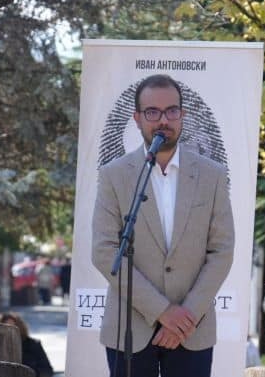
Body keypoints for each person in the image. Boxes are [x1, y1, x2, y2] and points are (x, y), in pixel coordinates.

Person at [91, 74, 235, 377]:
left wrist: (185, 317)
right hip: (129, 328)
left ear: (183, 114)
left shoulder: (213, 175)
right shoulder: (113, 175)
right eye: (152, 112)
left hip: (191, 329)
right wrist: (162, 311)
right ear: (137, 118)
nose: (163, 120)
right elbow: (105, 252)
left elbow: (222, 250)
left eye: (171, 111)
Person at [0, 312, 54, 377]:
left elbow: (47, 371)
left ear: (20, 328)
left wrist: (31, 373)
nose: (9, 330)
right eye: (5, 327)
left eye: (12, 327)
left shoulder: (33, 345)